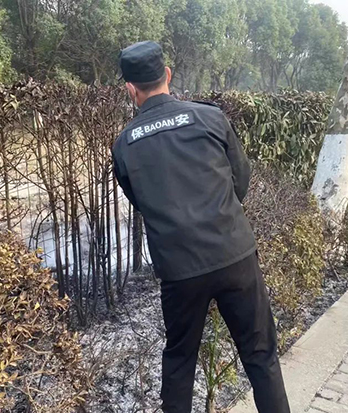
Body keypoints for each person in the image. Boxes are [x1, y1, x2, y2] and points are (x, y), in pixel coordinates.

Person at [112, 40, 290, 413]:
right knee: (260, 356)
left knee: (179, 362)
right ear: (168, 75)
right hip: (234, 255)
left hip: (180, 271)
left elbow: (141, 202)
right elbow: (240, 181)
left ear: (130, 89)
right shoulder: (210, 118)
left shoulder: (125, 144)